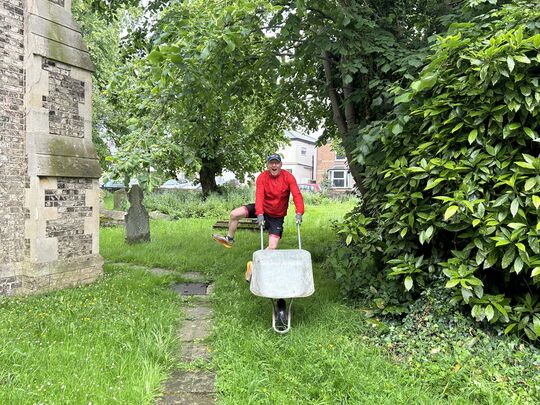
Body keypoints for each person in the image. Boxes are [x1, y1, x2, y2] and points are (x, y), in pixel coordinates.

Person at [212, 153, 304, 250]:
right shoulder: (262, 177)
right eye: (271, 163)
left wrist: (299, 212)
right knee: (234, 214)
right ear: (268, 165)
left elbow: (297, 195)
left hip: (276, 216)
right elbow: (259, 196)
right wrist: (259, 213)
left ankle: (260, 262)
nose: (274, 165)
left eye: (276, 163)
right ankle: (229, 239)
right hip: (262, 208)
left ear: (281, 164)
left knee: (272, 247)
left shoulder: (288, 177)